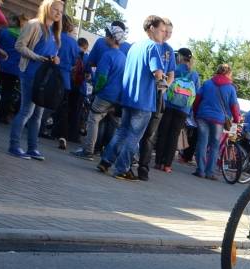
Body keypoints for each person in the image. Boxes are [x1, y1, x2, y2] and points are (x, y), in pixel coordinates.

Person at [96, 15, 167, 181]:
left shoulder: (135, 46)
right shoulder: (152, 47)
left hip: (128, 97)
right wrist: (163, 80)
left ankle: (106, 161)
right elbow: (157, 73)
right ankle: (121, 169)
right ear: (152, 28)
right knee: (134, 137)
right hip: (143, 100)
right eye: (161, 29)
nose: (163, 33)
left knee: (122, 132)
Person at [9, 0, 62, 160]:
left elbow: (50, 53)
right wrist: (37, 57)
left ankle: (32, 148)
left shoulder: (55, 31)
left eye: (61, 10)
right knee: (27, 111)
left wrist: (55, 59)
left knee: (38, 114)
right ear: (47, 8)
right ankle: (14, 146)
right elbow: (19, 46)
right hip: (30, 74)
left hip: (44, 78)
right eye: (56, 9)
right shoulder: (34, 25)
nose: (59, 13)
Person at [71, 21, 125, 160]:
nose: (104, 38)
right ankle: (115, 155)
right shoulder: (123, 57)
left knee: (93, 120)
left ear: (112, 38)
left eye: (107, 35)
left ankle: (88, 150)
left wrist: (96, 89)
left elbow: (101, 77)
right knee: (117, 127)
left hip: (105, 94)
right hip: (117, 97)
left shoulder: (107, 55)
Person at [137, 17, 174, 180]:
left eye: (170, 32)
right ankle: (128, 159)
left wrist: (164, 85)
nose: (167, 35)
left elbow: (171, 74)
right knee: (136, 128)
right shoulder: (148, 45)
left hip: (158, 94)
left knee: (150, 133)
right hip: (144, 92)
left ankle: (143, 167)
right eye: (165, 31)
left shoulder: (169, 50)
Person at [191, 63, 241, 180]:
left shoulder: (207, 83)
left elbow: (197, 99)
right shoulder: (230, 88)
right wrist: (237, 119)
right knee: (215, 146)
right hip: (218, 120)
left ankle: (200, 170)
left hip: (202, 116)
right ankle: (210, 173)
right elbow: (234, 106)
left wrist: (195, 112)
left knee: (202, 143)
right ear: (229, 73)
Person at [152, 46, 197, 173]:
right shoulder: (194, 74)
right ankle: (167, 165)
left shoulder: (173, 69)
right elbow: (196, 92)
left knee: (163, 133)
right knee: (174, 136)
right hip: (184, 109)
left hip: (169, 105)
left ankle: (158, 162)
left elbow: (164, 84)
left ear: (179, 57)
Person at [50, 12, 80, 150]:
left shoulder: (53, 36)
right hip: (65, 78)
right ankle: (62, 135)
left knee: (43, 104)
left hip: (50, 74)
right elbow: (75, 61)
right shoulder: (74, 43)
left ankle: (40, 128)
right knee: (63, 108)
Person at [0, 14, 23, 125]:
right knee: (8, 92)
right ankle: (3, 116)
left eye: (10, 19)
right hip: (14, 69)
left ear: (15, 21)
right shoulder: (23, 37)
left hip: (0, 65)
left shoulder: (3, 32)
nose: (7, 20)